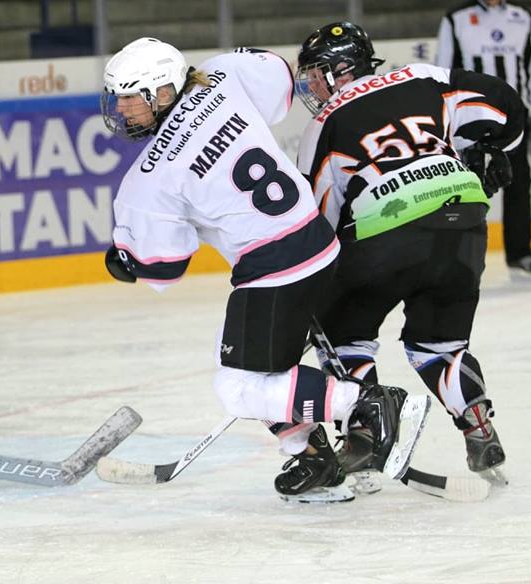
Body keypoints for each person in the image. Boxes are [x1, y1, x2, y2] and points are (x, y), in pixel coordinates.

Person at [99, 38, 424, 502]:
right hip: (318, 242)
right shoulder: (222, 79)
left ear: (166, 93)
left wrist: (126, 262)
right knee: (242, 356)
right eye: (118, 99)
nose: (123, 110)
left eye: (132, 98)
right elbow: (277, 75)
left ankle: (368, 403)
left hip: (276, 269)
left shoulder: (147, 179)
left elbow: (164, 271)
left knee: (237, 386)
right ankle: (313, 456)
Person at [295, 21, 518, 483]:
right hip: (464, 217)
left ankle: (363, 433)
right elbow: (505, 104)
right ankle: (476, 420)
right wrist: (493, 150)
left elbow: (318, 226)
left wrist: (305, 299)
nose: (313, 87)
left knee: (343, 334)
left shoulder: (324, 123)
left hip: (386, 226)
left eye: (317, 74)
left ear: (341, 69)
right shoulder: (423, 76)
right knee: (439, 344)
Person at [436, 0, 531, 275]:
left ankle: (520, 253)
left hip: (515, 118)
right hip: (471, 119)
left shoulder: (523, 18)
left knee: (519, 184)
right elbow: (443, 69)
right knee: (463, 186)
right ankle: (454, 255)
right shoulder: (457, 18)